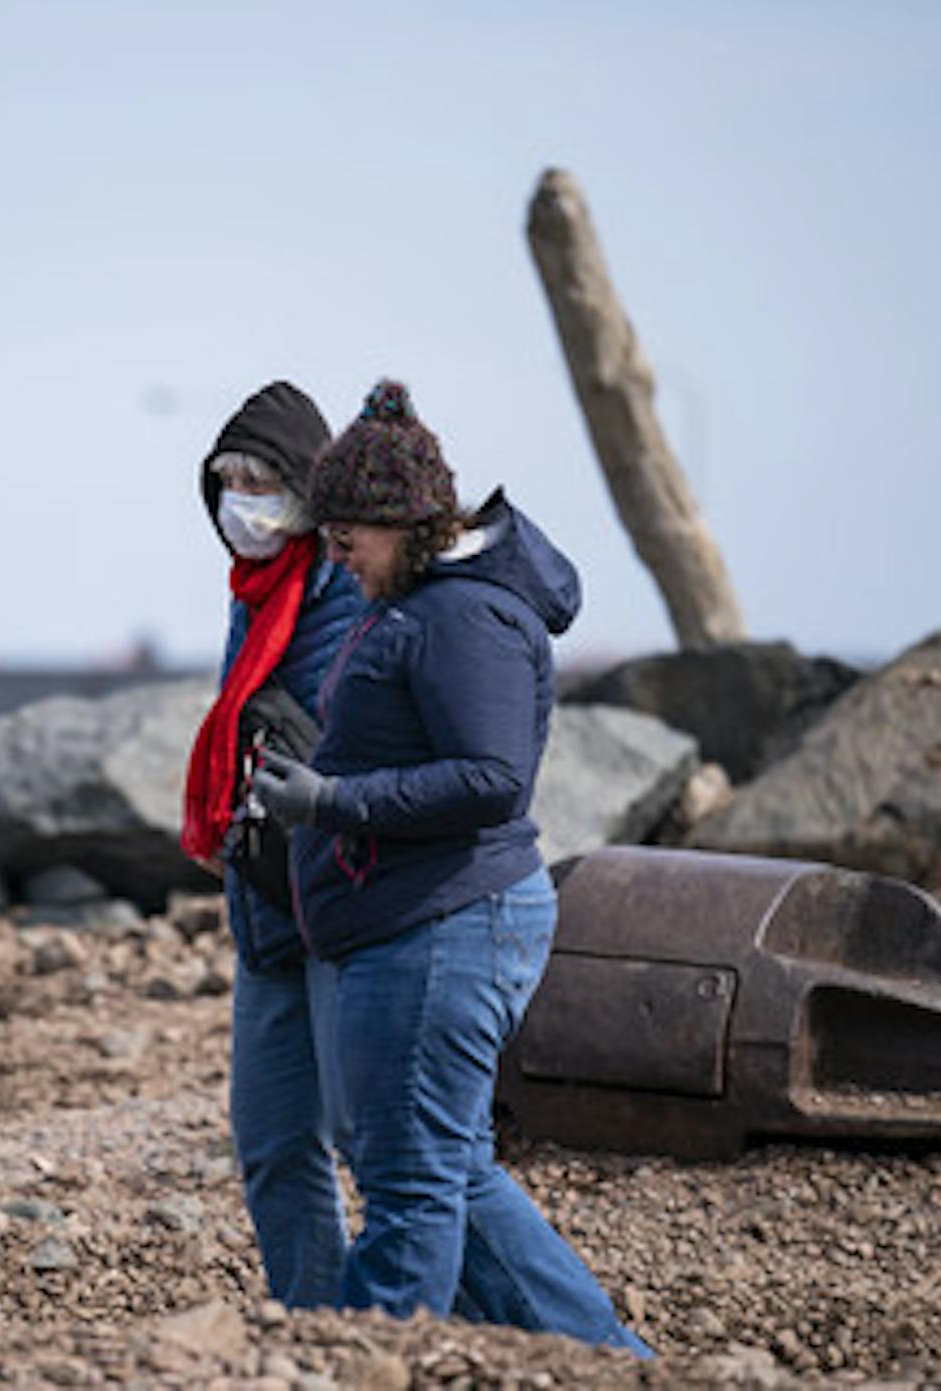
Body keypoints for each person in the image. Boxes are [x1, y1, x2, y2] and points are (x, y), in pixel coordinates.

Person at [249, 378, 651, 1353]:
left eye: (349, 538)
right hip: (421, 921)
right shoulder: (424, 603)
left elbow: (492, 778)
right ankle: (608, 1359)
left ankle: (369, 1357)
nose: (337, 558)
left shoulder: (465, 617)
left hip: (447, 926)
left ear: (406, 521)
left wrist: (332, 802)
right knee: (448, 1167)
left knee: (412, 1177)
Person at [180, 381, 365, 1308]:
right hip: (262, 907)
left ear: (305, 487)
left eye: (258, 480)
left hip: (337, 905)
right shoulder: (249, 593)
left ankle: (487, 1328)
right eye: (225, 482)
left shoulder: (347, 591)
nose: (240, 502)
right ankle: (317, 1320)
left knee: (380, 1148)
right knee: (271, 1141)